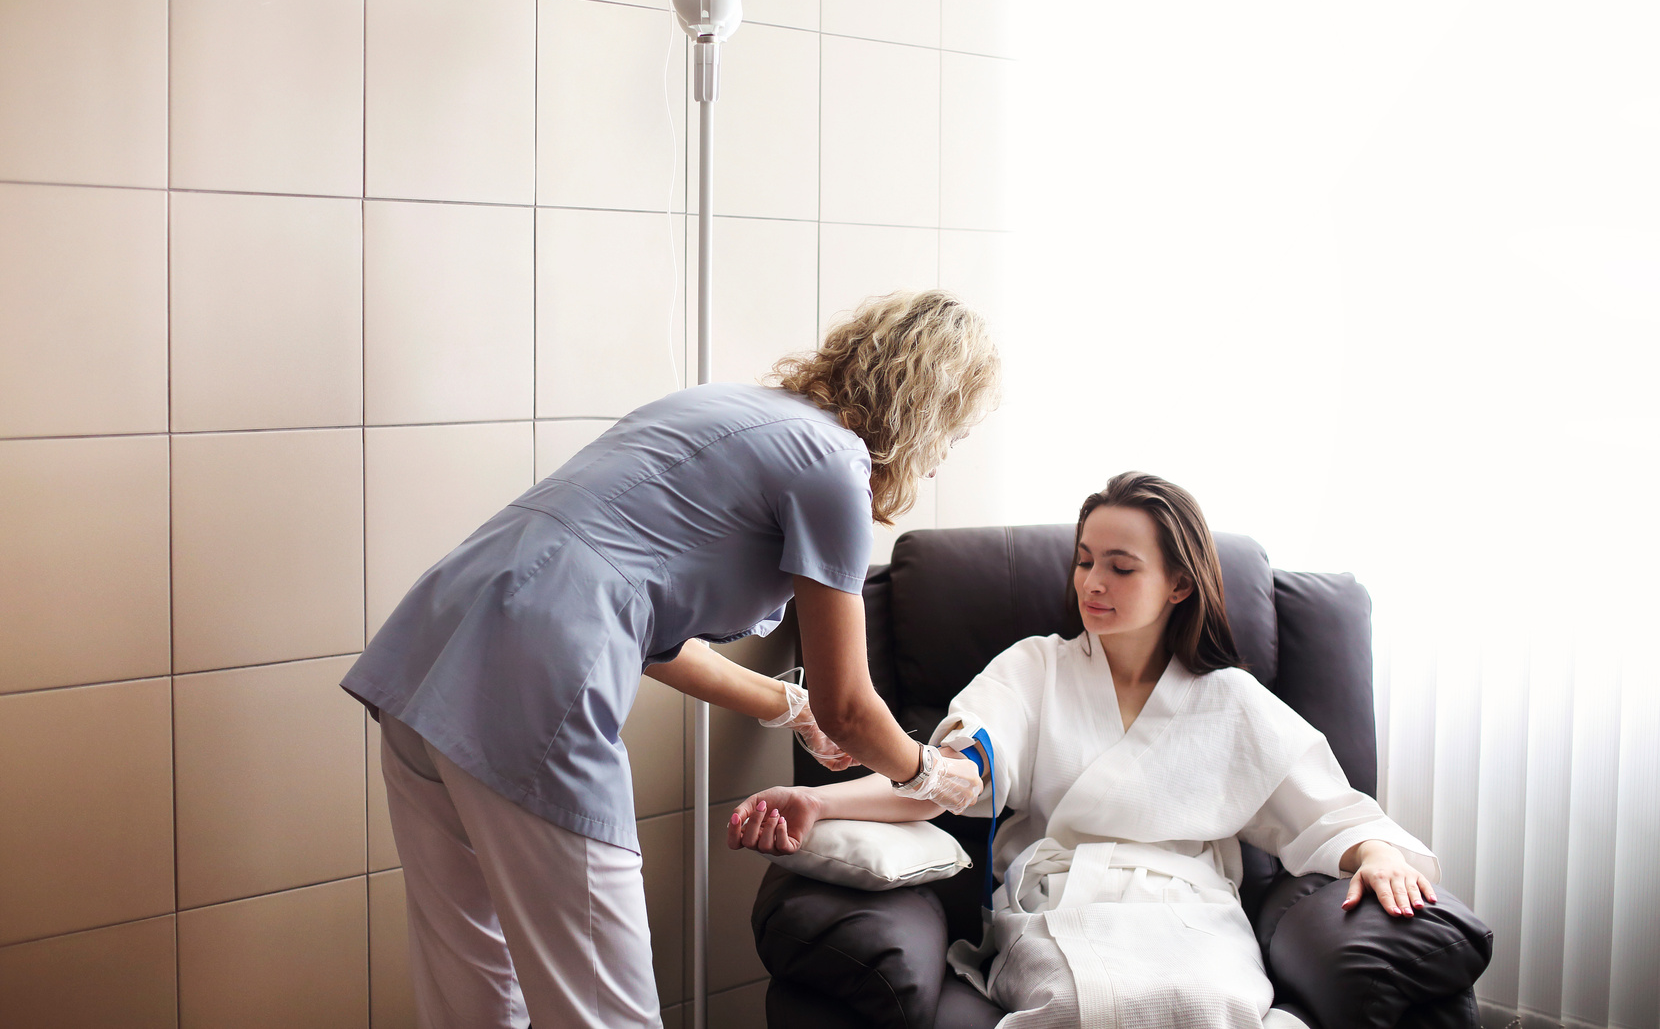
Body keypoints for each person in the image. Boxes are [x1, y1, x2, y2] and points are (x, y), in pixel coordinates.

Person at [342, 291, 995, 1028]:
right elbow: (850, 705)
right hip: (535, 681)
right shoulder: (835, 468)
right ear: (930, 410)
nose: (943, 459)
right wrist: (926, 772)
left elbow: (636, 618)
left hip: (432, 647)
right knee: (604, 1010)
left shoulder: (719, 407)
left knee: (470, 988)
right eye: (956, 433)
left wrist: (790, 706)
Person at [728, 472, 1439, 1029]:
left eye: (1121, 567)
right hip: (1063, 902)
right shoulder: (1033, 669)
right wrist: (818, 800)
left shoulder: (1230, 700)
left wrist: (1376, 852)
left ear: (1179, 583)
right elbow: (947, 779)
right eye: (1086, 561)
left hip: (1191, 911)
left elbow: (1327, 810)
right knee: (1082, 1006)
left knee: (1212, 1004)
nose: (1093, 583)